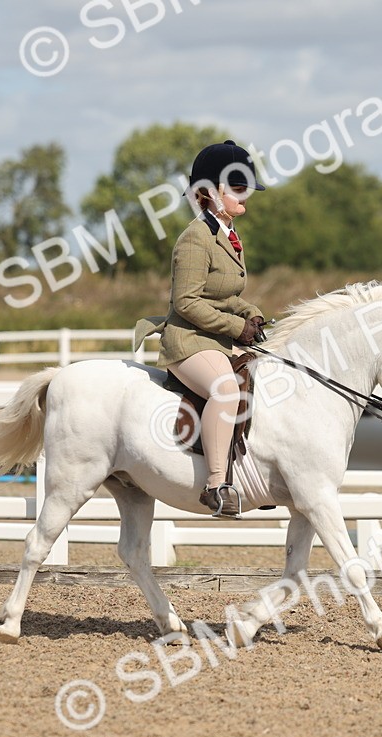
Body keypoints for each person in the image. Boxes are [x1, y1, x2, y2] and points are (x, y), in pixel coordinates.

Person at [135, 140, 268, 517]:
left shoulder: (227, 235)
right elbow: (187, 303)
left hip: (214, 341)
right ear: (209, 193)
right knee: (226, 389)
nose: (246, 196)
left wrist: (251, 314)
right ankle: (215, 485)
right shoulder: (194, 238)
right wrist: (235, 327)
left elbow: (227, 295)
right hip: (188, 343)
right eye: (238, 188)